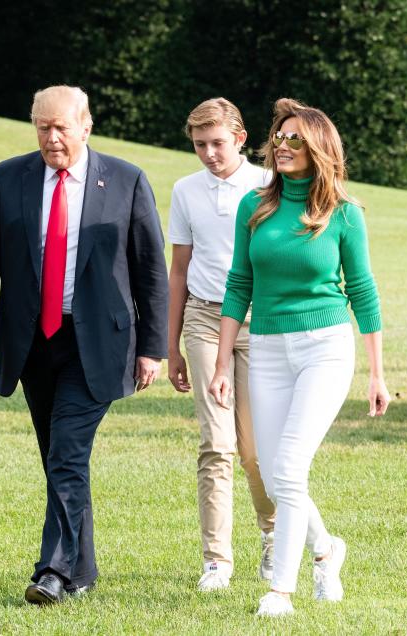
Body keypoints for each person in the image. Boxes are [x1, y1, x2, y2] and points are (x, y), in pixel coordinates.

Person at [0, 85, 169, 604]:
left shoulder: (126, 180)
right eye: (42, 127)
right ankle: (83, 569)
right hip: (30, 342)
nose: (51, 138)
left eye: (61, 127)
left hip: (97, 343)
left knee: (66, 453)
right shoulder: (7, 177)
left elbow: (151, 271)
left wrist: (153, 347)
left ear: (86, 125)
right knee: (59, 456)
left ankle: (52, 571)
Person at [208, 98, 389, 617]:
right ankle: (328, 549)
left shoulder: (345, 214)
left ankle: (280, 591)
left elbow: (363, 291)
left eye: (294, 140)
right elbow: (238, 284)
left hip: (325, 349)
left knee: (287, 466)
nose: (282, 146)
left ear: (318, 148)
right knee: (272, 468)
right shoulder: (254, 207)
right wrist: (222, 363)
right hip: (265, 347)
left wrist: (377, 373)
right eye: (279, 138)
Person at [167, 98, 276, 592]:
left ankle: (274, 537)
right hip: (204, 320)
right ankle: (217, 561)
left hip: (258, 323)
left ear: (239, 137)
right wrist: (171, 346)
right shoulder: (184, 191)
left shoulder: (267, 186)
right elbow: (179, 271)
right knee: (217, 443)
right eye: (199, 145)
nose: (209, 154)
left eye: (216, 143)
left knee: (254, 449)